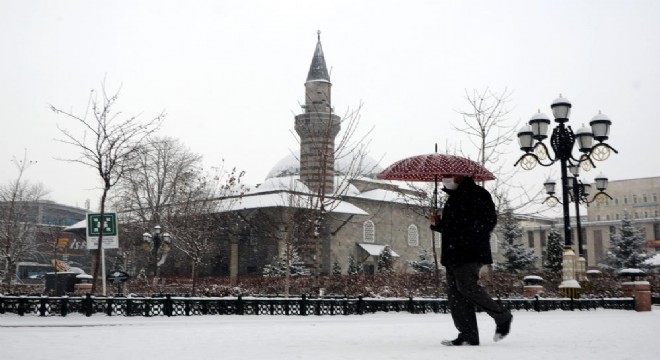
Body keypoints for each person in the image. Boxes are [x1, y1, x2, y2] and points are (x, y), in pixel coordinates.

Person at [430, 175, 512, 346]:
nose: (445, 180)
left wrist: (466, 235)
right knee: (456, 296)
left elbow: (488, 222)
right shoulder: (453, 198)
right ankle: (468, 334)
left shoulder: (478, 194)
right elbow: (452, 228)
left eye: (449, 176)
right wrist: (438, 224)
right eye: (444, 177)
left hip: (469, 252)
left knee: (467, 287)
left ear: (460, 176)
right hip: (452, 254)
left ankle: (502, 316)